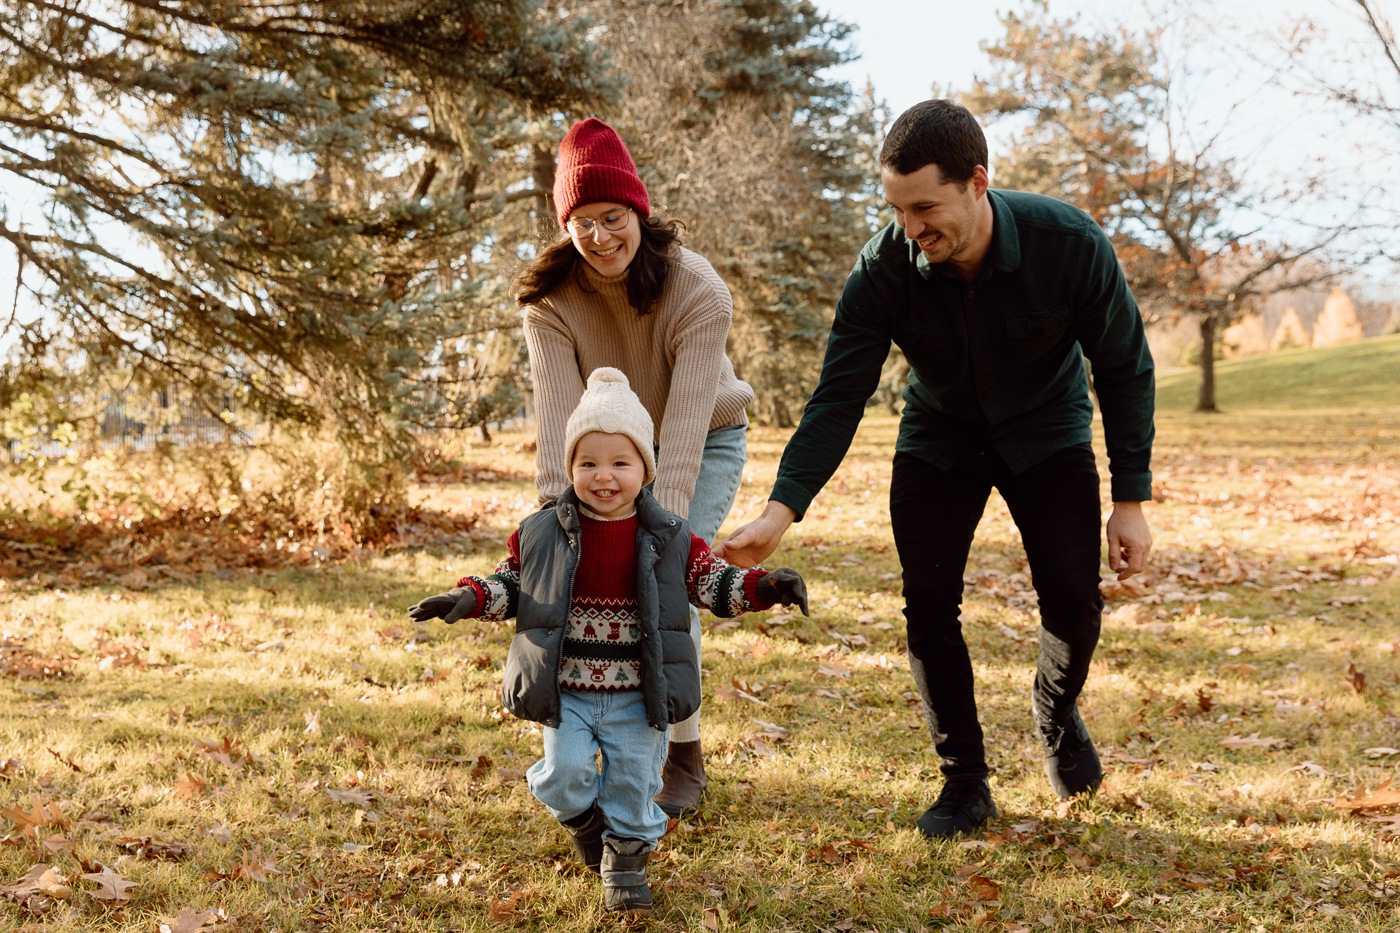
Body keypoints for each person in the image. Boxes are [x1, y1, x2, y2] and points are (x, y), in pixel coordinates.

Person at [714, 100, 1155, 839]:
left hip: (1047, 431)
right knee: (928, 606)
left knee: (1075, 602)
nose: (911, 228)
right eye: (897, 209)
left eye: (925, 207)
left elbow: (1124, 367)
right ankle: (965, 781)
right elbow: (838, 396)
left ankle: (1055, 709)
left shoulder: (1068, 243)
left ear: (977, 182)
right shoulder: (885, 266)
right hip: (939, 437)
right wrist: (779, 509)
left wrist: (1132, 498)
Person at [408, 369, 808, 916]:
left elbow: (714, 583)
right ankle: (588, 826)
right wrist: (467, 598)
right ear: (569, 468)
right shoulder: (543, 532)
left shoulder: (671, 538)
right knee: (564, 774)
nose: (603, 476)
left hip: (637, 694)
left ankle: (625, 860)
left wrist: (766, 587)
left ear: (645, 468)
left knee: (632, 781)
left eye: (620, 462)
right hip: (567, 691)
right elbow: (513, 584)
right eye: (587, 462)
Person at [514, 117, 756, 817]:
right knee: (586, 578)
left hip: (701, 439)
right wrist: (558, 532)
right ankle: (585, 735)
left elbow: (679, 440)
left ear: (638, 212)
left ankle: (682, 746)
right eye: (582, 223)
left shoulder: (696, 289)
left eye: (612, 217)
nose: (599, 237)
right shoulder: (550, 302)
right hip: (602, 450)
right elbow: (557, 424)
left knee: (663, 584)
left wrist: (662, 536)